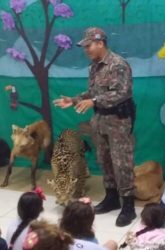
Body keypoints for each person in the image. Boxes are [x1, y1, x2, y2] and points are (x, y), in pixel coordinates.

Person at [53, 27, 136, 227]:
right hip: (99, 120)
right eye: (84, 46)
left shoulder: (118, 65)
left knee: (121, 163)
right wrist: (74, 100)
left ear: (100, 43)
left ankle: (128, 207)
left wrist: (95, 100)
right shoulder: (94, 67)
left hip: (118, 121)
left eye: (89, 45)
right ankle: (112, 198)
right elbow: (92, 92)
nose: (86, 50)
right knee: (104, 160)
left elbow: (122, 93)